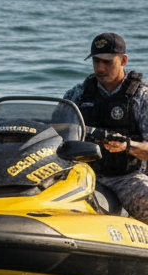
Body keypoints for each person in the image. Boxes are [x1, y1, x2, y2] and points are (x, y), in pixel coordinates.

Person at [63, 32, 148, 222]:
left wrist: (128, 146)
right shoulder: (77, 94)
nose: (100, 68)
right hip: (80, 173)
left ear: (123, 60)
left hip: (126, 179)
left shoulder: (142, 97)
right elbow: (55, 132)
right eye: (96, 61)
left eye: (107, 62)